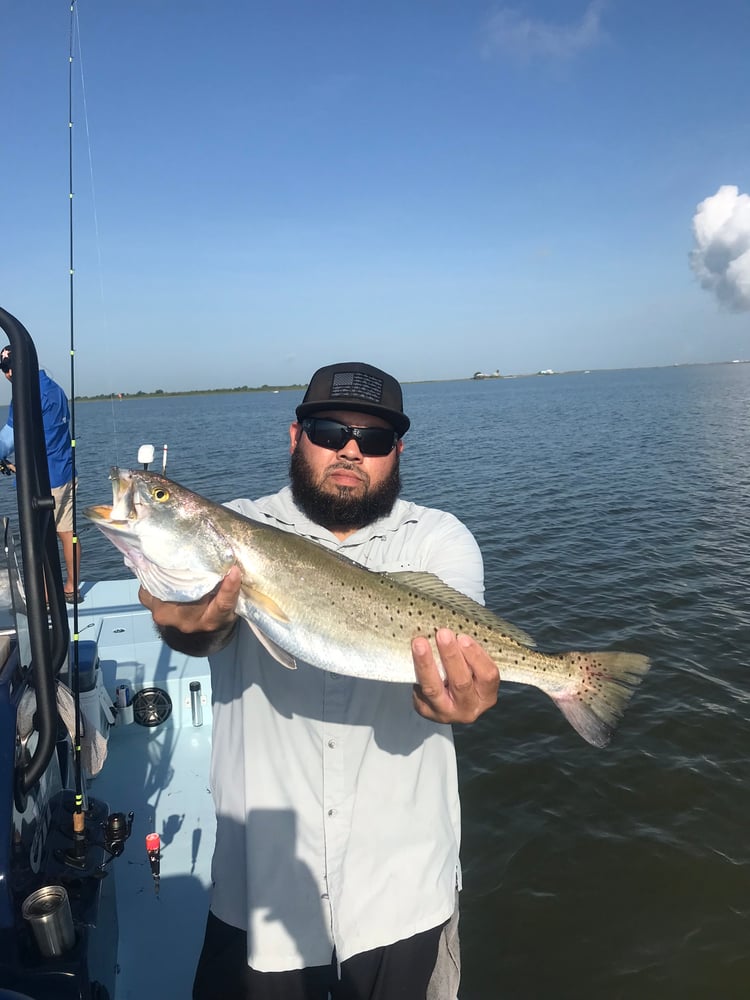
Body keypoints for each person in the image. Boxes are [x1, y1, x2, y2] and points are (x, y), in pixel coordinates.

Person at [140, 361, 500, 1000]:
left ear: (397, 452)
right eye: (330, 430)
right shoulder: (239, 526)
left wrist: (456, 694)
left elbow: (458, 672)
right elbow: (191, 624)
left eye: (376, 439)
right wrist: (191, 622)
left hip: (405, 889)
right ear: (295, 436)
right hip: (261, 890)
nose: (351, 450)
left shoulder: (439, 540)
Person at [0, 344, 82, 603]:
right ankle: (71, 586)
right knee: (67, 532)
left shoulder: (25, 395)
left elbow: (9, 439)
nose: (6, 375)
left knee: (38, 537)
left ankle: (46, 597)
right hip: (66, 472)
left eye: (6, 368)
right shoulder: (55, 390)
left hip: (45, 481)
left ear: (17, 369)